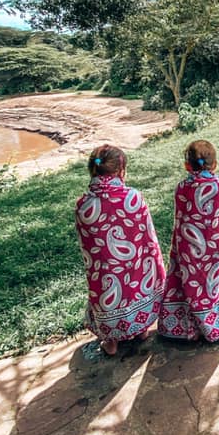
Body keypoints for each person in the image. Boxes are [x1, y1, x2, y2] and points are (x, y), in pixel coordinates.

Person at [158, 140, 219, 342]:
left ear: (187, 165)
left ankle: (196, 323)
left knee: (195, 283)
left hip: (191, 250)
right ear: (215, 164)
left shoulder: (182, 188)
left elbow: (181, 220)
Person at [75, 144, 165, 355]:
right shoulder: (133, 197)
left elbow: (87, 244)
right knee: (138, 278)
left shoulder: (84, 204)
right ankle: (141, 328)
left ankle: (111, 342)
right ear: (121, 170)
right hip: (136, 270)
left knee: (106, 292)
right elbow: (148, 237)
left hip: (105, 273)